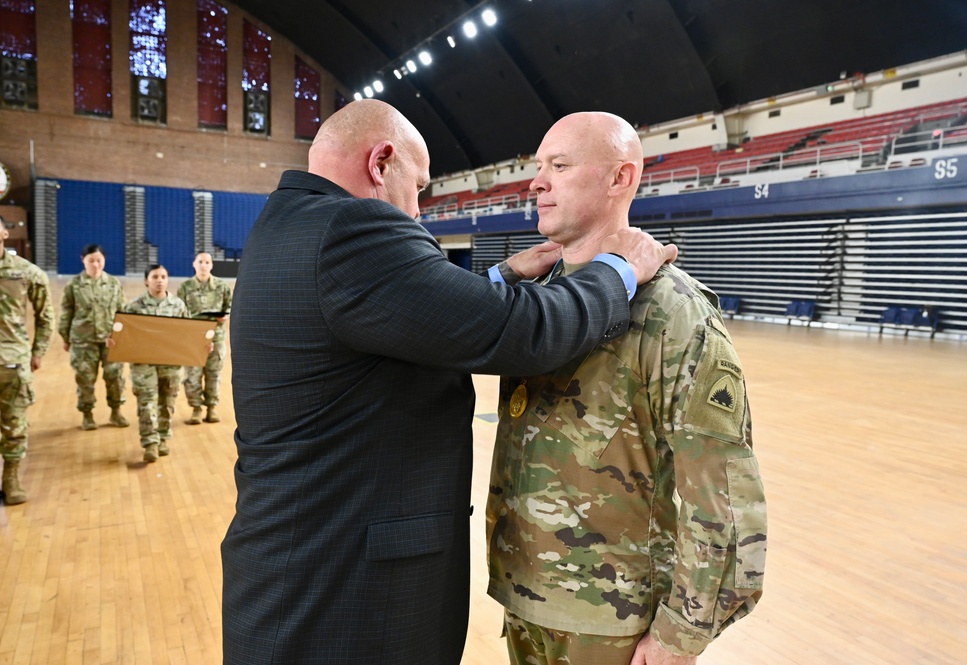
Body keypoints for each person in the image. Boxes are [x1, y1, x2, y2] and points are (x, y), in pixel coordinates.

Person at [221, 99, 677, 665]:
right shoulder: (351, 227)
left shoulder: (290, 223)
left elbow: (385, 319)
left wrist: (500, 277)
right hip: (343, 594)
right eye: (419, 186)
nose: (417, 209)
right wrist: (620, 270)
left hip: (296, 568)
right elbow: (522, 331)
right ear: (381, 162)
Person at [485, 112, 767, 665]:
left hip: (613, 622)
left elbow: (724, 494)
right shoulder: (536, 298)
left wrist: (682, 634)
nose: (536, 181)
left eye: (559, 166)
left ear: (621, 179)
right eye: (538, 167)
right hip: (525, 598)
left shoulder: (672, 311)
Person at [0, 224, 53, 505]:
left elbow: (46, 316)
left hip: (13, 362)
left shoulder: (27, 273)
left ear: (4, 233)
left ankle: (11, 478)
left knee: (14, 424)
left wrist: (38, 351)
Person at [122, 265, 189, 463]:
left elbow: (187, 334)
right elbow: (125, 333)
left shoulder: (178, 305)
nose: (159, 280)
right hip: (144, 363)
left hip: (170, 363)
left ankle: (163, 438)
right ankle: (150, 442)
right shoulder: (134, 306)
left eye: (163, 276)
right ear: (146, 281)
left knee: (167, 402)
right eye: (155, 277)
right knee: (146, 402)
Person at [58, 244, 129, 431]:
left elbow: (123, 312)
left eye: (99, 260)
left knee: (115, 377)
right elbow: (66, 311)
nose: (96, 265)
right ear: (83, 260)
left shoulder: (114, 283)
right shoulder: (74, 285)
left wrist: (123, 337)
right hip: (83, 340)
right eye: (91, 261)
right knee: (85, 379)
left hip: (110, 340)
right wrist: (65, 337)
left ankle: (116, 412)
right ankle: (87, 415)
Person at [177, 252, 232, 425]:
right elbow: (179, 310)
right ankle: (196, 409)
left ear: (211, 265)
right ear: (194, 264)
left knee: (213, 374)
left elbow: (229, 306)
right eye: (200, 262)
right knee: (192, 376)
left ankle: (211, 408)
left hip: (216, 337)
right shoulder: (185, 287)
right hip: (192, 338)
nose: (203, 265)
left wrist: (226, 315)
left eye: (207, 262)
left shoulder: (222, 286)